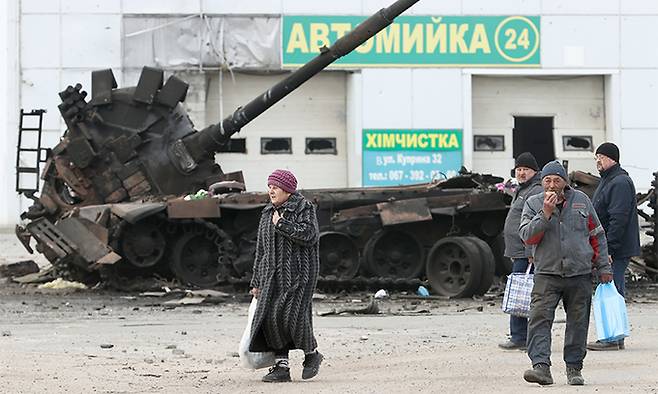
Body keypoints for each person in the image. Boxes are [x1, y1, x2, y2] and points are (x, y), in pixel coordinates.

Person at [519, 161, 612, 386]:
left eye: (556, 180)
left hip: (579, 273)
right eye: (547, 180)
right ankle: (541, 368)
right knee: (539, 319)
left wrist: (604, 267)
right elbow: (527, 237)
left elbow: (596, 235)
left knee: (578, 323)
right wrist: (546, 213)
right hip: (546, 273)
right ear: (542, 182)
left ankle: (574, 368)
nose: (552, 185)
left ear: (565, 182)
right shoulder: (533, 203)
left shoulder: (581, 201)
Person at [248, 169, 324, 382]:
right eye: (269, 186)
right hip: (272, 276)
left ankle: (312, 354)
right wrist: (256, 281)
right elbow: (261, 251)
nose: (271, 190)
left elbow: (309, 235)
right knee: (271, 319)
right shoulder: (266, 213)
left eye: (275, 186)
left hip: (299, 275)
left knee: (291, 316)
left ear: (288, 190)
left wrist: (281, 224)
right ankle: (282, 367)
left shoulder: (304, 208)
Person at [587, 142, 641, 351]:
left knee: (613, 291)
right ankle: (613, 336)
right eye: (596, 158)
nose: (597, 161)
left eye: (601, 157)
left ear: (612, 158)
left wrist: (608, 250)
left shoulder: (619, 182)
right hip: (610, 248)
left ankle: (613, 338)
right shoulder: (609, 180)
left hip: (615, 250)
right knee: (611, 290)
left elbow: (618, 218)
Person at [499, 152, 543, 350]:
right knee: (520, 292)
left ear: (534, 171)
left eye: (525, 169)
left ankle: (520, 337)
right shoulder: (522, 189)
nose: (521, 173)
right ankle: (520, 335)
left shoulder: (535, 191)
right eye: (519, 169)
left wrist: (531, 251)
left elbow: (535, 223)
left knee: (523, 294)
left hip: (527, 253)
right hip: (519, 251)